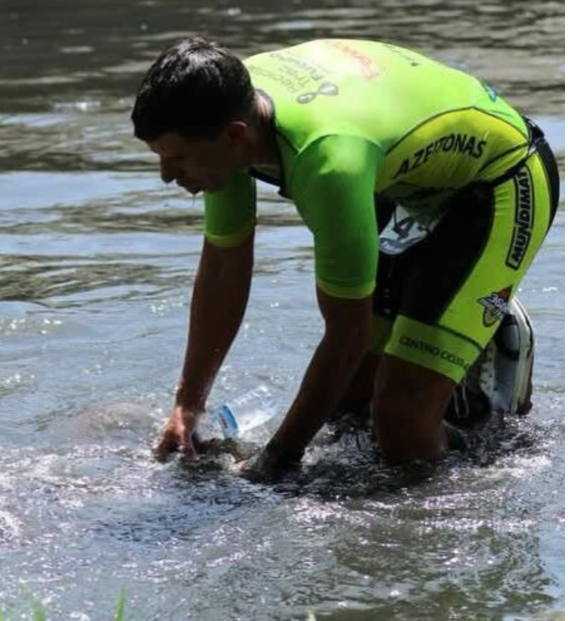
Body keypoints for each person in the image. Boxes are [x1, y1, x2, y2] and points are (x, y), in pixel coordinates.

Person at [130, 37, 558, 478]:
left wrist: (275, 460)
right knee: (349, 408)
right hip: (403, 175)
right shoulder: (223, 111)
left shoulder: (329, 162)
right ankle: (451, 326)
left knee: (401, 426)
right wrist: (188, 405)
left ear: (235, 135)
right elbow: (224, 268)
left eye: (177, 159)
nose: (166, 176)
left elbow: (348, 334)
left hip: (501, 178)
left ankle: (487, 343)